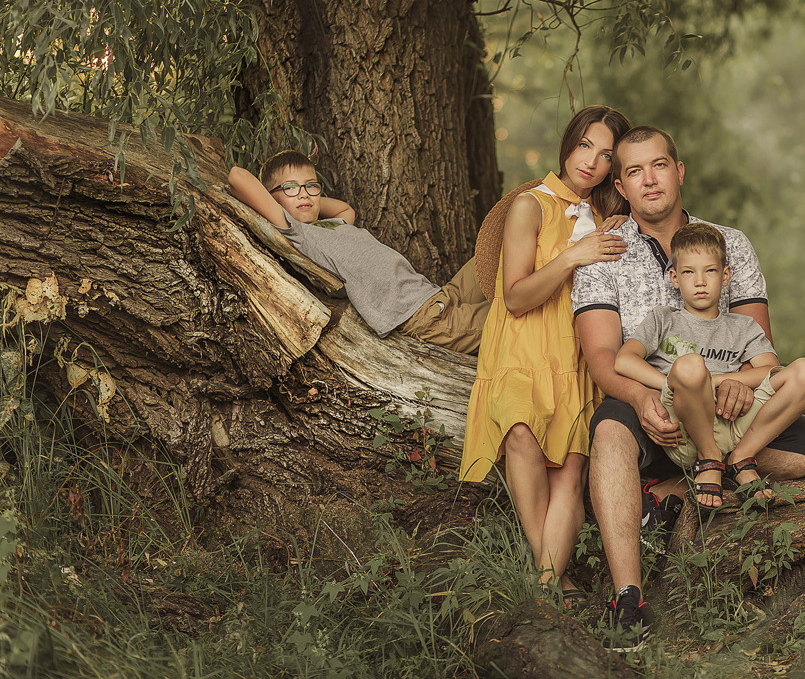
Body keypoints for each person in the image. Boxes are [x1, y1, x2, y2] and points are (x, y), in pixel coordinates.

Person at [572, 126, 805, 652]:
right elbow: (602, 355)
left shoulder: (729, 242)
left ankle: (679, 482)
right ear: (620, 185)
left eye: (659, 165)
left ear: (679, 170)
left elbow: (758, 341)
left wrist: (735, 382)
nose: (650, 180)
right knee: (611, 433)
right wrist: (644, 397)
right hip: (655, 400)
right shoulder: (603, 251)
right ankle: (629, 596)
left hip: (725, 405)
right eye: (635, 172)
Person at [459, 105, 632, 607]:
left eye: (605, 156)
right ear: (568, 142)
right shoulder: (529, 205)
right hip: (521, 342)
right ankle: (553, 580)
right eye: (585, 146)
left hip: (575, 352)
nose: (591, 162)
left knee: (571, 471)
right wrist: (574, 255)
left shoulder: (606, 217)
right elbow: (514, 296)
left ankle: (545, 586)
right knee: (520, 436)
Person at [615, 222, 805, 511]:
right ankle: (708, 458)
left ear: (725, 276)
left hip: (734, 423)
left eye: (709, 271)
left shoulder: (742, 326)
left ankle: (740, 459)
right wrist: (682, 384)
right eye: (688, 272)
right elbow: (624, 360)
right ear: (674, 278)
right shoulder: (664, 319)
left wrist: (718, 381)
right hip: (685, 429)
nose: (699, 281)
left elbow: (770, 370)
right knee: (690, 366)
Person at [227, 151, 489, 354]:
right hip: (423, 318)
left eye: (311, 186)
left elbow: (345, 210)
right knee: (518, 323)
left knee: (493, 254)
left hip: (438, 295)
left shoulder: (331, 225)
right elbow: (237, 175)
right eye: (290, 188)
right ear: (271, 198)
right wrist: (279, 206)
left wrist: (307, 198)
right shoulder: (296, 232)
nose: (304, 194)